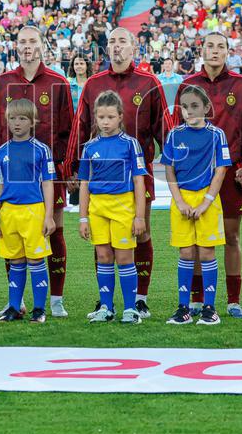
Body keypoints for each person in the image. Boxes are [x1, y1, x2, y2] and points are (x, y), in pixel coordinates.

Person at [66, 27, 171, 319]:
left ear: (133, 47)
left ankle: (139, 299)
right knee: (103, 240)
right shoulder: (93, 84)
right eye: (111, 41)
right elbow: (80, 126)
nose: (116, 46)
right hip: (99, 174)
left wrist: (178, 164)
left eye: (122, 40)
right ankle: (105, 302)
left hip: (138, 174)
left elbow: (165, 127)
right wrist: (73, 167)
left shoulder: (149, 82)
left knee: (141, 233)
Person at [0, 26, 73, 317]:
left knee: (53, 231)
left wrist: (67, 166)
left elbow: (68, 130)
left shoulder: (58, 82)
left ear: (42, 45)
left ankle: (56, 300)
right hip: (10, 174)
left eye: (32, 41)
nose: (27, 46)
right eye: (21, 41)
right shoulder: (1, 83)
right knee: (11, 238)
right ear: (15, 46)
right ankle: (18, 302)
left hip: (48, 174)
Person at [174, 32, 242, 318]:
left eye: (220, 46)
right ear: (202, 50)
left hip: (230, 173)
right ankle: (197, 301)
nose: (214, 51)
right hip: (193, 177)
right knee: (196, 239)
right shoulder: (188, 85)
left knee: (232, 237)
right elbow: (176, 129)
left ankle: (233, 301)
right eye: (209, 45)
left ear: (227, 51)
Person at [161, 86, 231, 326]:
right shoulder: (174, 134)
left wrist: (206, 202)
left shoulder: (217, 134)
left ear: (206, 108)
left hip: (208, 200)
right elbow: (168, 169)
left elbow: (221, 170)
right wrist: (179, 200)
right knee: (186, 252)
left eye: (195, 106)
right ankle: (184, 307)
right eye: (185, 107)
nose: (189, 112)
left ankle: (209, 308)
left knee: (207, 252)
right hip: (181, 198)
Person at [78, 90, 148, 325]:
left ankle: (131, 309)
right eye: (100, 118)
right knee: (103, 256)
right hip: (98, 208)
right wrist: (83, 218)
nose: (105, 122)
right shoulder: (89, 147)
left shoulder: (130, 144)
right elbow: (85, 184)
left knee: (125, 257)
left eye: (110, 117)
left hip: (123, 207)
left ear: (120, 117)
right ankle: (106, 307)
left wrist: (139, 216)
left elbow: (139, 180)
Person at [0, 99, 56, 323]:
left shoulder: (42, 150)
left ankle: (39, 309)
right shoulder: (0, 152)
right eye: (12, 118)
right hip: (9, 213)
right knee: (15, 261)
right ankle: (14, 308)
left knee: (36, 261)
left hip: (33, 212)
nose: (17, 123)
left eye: (22, 118)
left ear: (33, 121)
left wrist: (48, 216)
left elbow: (47, 183)